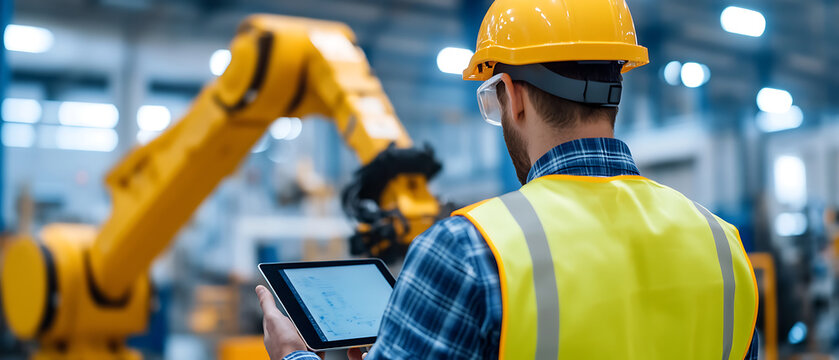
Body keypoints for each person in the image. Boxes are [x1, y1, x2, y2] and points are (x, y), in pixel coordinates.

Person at [256, 0, 760, 358]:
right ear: (616, 85)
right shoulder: (723, 245)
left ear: (512, 96)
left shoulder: (470, 250)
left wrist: (294, 358)